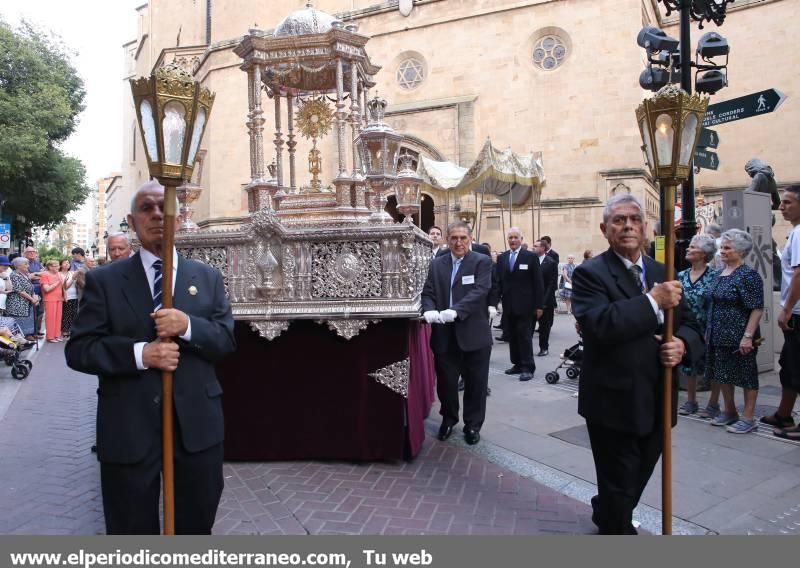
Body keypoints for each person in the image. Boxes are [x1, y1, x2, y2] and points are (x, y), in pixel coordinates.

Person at [65, 180, 236, 534]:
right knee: (130, 528)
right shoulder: (105, 281)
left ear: (179, 216)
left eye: (164, 207)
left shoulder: (207, 277)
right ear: (131, 220)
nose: (157, 214)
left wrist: (188, 325)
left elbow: (224, 342)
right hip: (128, 428)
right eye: (146, 208)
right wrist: (142, 354)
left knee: (195, 525)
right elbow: (80, 350)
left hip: (196, 430)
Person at [572, 193, 703, 535]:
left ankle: (608, 509)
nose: (627, 226)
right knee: (618, 481)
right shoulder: (590, 273)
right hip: (612, 401)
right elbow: (599, 324)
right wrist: (651, 301)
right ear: (605, 229)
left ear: (645, 229)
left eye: (634, 220)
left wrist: (682, 344)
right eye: (619, 220)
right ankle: (616, 526)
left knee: (637, 475)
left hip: (658, 398)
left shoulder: (665, 271)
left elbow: (691, 323)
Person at [421, 221, 493, 445]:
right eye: (454, 238)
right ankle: (449, 419)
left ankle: (472, 425)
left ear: (470, 239)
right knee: (447, 383)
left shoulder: (481, 262)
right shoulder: (437, 264)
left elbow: (480, 291)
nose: (458, 242)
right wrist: (430, 308)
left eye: (463, 238)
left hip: (474, 334)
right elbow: (428, 291)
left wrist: (456, 311)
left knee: (476, 384)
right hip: (444, 334)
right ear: (447, 239)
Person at [704, 229, 764, 434]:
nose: (722, 251)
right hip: (718, 334)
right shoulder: (720, 273)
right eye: (721, 247)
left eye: (727, 248)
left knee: (747, 375)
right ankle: (729, 411)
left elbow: (757, 308)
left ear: (741, 251)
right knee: (722, 374)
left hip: (740, 335)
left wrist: (747, 337)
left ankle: (748, 417)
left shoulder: (748, 275)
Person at [763, 185, 800, 438]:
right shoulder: (795, 232)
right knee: (789, 365)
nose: (782, 207)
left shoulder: (799, 234)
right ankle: (784, 415)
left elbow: (799, 273)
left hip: (797, 312)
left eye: (787, 202)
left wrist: (786, 309)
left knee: (796, 367)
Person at [676, 235, 719, 416]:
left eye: (692, 247)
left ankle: (713, 404)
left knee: (713, 366)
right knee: (689, 365)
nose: (687, 249)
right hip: (688, 327)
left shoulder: (714, 276)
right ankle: (691, 401)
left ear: (703, 254)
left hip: (709, 327)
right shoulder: (681, 275)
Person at [496, 228, 543, 382]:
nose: (513, 240)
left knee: (524, 337)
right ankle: (516, 364)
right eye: (510, 238)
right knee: (512, 337)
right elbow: (499, 282)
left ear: (521, 239)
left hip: (526, 306)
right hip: (509, 306)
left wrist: (539, 306)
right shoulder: (502, 258)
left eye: (516, 237)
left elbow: (538, 282)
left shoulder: (530, 257)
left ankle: (528, 367)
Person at [533, 240, 558, 356]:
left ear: (543, 248)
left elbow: (552, 284)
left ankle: (544, 347)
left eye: (536, 246)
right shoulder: (531, 260)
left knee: (544, 326)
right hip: (531, 299)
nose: (533, 248)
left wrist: (543, 302)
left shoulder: (551, 262)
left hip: (546, 300)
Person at [6, 257, 39, 340]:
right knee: (21, 319)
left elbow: (30, 286)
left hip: (26, 302)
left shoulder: (24, 274)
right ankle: (24, 336)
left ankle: (29, 334)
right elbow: (19, 290)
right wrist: (32, 299)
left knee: (28, 318)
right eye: (26, 264)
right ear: (18, 265)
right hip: (18, 302)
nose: (28, 266)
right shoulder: (14, 275)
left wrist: (34, 296)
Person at [40, 260, 65, 343]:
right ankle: (50, 337)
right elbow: (46, 289)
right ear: (50, 267)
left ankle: (56, 335)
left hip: (59, 298)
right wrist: (57, 282)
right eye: (56, 266)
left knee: (58, 318)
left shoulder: (58, 274)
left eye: (58, 265)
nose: (58, 267)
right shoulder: (45, 274)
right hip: (50, 299)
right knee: (51, 318)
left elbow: (63, 286)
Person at [23, 247, 43, 338]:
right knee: (31, 312)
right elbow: (28, 277)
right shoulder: (23, 262)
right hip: (29, 290)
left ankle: (37, 331)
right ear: (25, 253)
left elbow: (43, 274)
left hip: (40, 289)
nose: (32, 253)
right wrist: (35, 275)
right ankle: (30, 332)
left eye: (33, 252)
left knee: (40, 311)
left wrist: (36, 275)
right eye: (29, 252)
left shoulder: (37, 262)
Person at [61, 259, 78, 338]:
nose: (67, 264)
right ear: (61, 265)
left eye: (68, 262)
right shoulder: (59, 274)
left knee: (74, 314)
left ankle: (72, 329)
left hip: (75, 295)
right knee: (66, 314)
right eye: (65, 263)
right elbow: (65, 287)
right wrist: (73, 278)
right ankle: (65, 330)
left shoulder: (72, 272)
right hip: (66, 296)